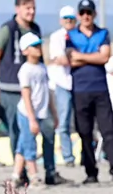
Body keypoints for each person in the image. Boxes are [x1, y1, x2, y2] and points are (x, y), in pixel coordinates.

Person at [67, 0, 113, 184]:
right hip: (80, 90)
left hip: (100, 90)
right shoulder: (70, 35)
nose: (86, 16)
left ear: (94, 14)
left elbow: (105, 57)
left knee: (108, 130)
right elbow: (70, 59)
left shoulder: (103, 33)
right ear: (79, 15)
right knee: (84, 132)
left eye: (89, 12)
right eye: (83, 12)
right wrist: (93, 57)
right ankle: (91, 173)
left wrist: (82, 56)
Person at [0, 0, 49, 185]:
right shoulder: (8, 29)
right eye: (27, 8)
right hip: (10, 87)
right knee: (17, 132)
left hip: (34, 90)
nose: (31, 12)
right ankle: (25, 173)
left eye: (33, 8)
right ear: (18, 8)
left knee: (38, 132)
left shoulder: (35, 29)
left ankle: (32, 172)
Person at [13, 33, 55, 189]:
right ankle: (34, 177)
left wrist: (53, 112)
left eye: (39, 45)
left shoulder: (42, 67)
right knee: (30, 144)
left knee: (22, 145)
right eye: (34, 46)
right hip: (27, 113)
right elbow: (26, 94)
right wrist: (31, 118)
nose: (38, 48)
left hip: (41, 112)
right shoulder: (25, 70)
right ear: (25, 51)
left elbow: (47, 91)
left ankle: (16, 175)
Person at [49, 5, 78, 167]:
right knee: (64, 121)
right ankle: (68, 157)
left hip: (79, 83)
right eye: (66, 18)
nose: (68, 21)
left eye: (71, 18)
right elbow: (61, 59)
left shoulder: (80, 35)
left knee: (83, 121)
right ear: (61, 20)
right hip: (63, 83)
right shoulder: (56, 37)